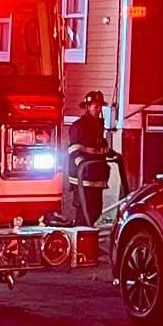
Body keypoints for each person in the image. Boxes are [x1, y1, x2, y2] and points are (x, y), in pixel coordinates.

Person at [65, 91, 117, 227]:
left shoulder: (98, 126)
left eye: (100, 106)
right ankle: (80, 241)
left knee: (95, 211)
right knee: (84, 213)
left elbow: (99, 147)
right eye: (95, 106)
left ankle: (86, 238)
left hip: (96, 178)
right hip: (83, 178)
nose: (98, 109)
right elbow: (74, 151)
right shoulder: (78, 126)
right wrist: (82, 163)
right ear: (87, 107)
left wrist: (113, 154)